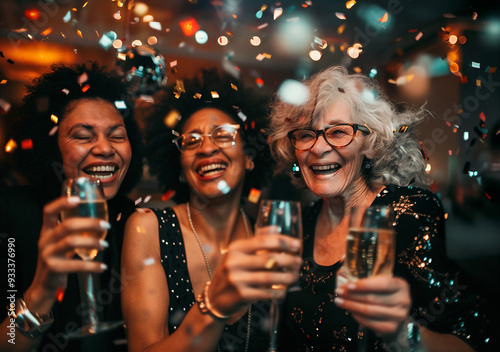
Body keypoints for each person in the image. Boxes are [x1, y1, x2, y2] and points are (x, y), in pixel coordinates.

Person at [267, 66, 498, 351]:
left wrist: (402, 332)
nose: (318, 148)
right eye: (305, 135)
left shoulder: (409, 212)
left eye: (339, 131)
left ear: (370, 145)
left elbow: (475, 341)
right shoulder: (302, 224)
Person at [121, 69, 303, 352]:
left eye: (223, 135)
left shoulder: (266, 237)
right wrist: (214, 305)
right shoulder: (148, 228)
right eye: (191, 141)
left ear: (250, 158)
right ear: (180, 167)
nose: (206, 148)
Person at [0, 62, 143, 351]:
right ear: (52, 147)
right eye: (82, 135)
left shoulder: (135, 221)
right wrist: (40, 293)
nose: (105, 148)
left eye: (117, 135)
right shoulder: (10, 215)